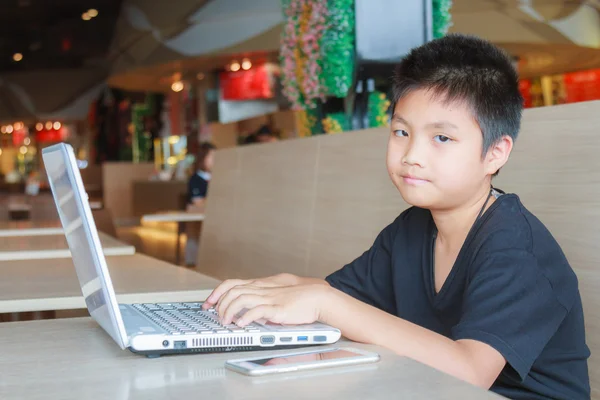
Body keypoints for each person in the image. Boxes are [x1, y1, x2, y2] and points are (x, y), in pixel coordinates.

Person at [201, 34, 590, 399]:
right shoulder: (412, 228)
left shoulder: (516, 248)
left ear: (495, 153)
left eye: (441, 138)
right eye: (401, 132)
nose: (411, 155)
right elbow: (341, 295)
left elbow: (471, 371)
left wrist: (322, 302)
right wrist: (275, 290)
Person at [184, 142, 216, 266]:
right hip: (197, 223)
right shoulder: (196, 179)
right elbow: (198, 202)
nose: (215, 161)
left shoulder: (217, 177)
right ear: (202, 158)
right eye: (212, 157)